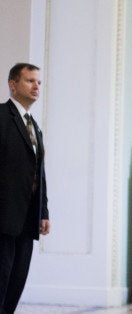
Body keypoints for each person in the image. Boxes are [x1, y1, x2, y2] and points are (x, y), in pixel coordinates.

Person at [0, 63, 50, 313]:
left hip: (27, 219)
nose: (36, 87)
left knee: (15, 282)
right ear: (13, 84)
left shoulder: (34, 126)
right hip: (4, 218)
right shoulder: (1, 117)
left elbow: (38, 172)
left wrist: (44, 212)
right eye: (30, 81)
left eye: (39, 82)